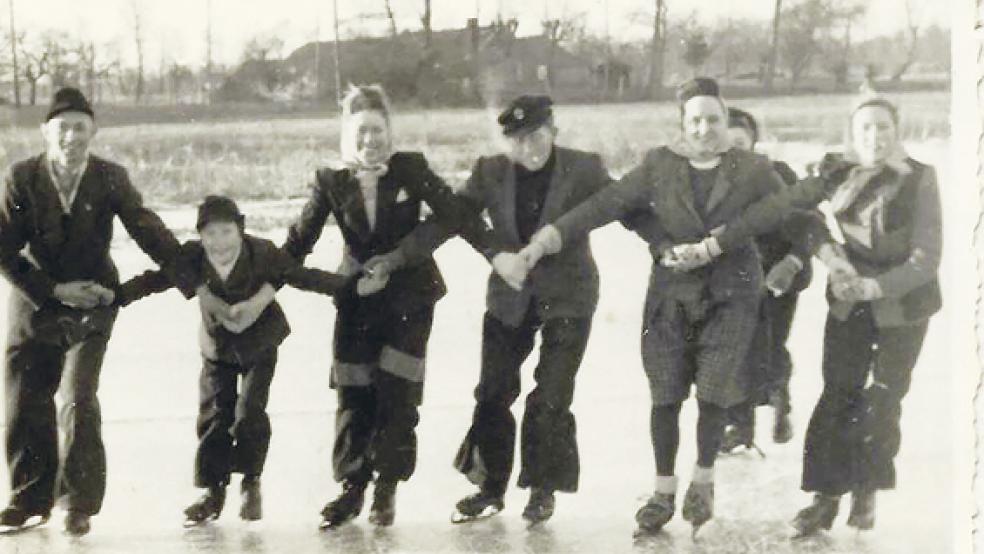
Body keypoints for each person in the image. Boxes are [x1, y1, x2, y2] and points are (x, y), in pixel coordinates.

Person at [522, 78, 799, 536]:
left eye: (714, 119)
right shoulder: (659, 165)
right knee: (666, 395)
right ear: (682, 125)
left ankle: (704, 479)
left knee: (712, 392)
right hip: (672, 296)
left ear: (727, 122)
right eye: (696, 120)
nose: (705, 129)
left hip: (732, 296)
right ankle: (663, 489)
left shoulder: (752, 168)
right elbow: (604, 204)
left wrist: (804, 256)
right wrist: (549, 238)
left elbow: (794, 215)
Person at [409, 94, 637, 525]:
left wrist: (666, 240)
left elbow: (621, 205)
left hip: (569, 295)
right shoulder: (490, 171)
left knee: (551, 392)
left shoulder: (583, 167)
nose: (528, 148)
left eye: (536, 136)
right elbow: (454, 217)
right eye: (517, 140)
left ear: (554, 130)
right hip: (510, 293)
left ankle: (542, 487)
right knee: (493, 390)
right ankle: (489, 487)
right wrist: (491, 253)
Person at [281, 85, 496, 529]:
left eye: (377, 131)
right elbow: (298, 242)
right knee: (353, 393)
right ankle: (351, 487)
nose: (370, 141)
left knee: (398, 395)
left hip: (410, 298)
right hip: (356, 302)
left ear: (390, 131)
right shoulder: (331, 180)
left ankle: (386, 487)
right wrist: (257, 280)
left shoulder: (410, 168)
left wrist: (500, 254)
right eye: (361, 133)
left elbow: (455, 213)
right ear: (347, 135)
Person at [115, 195, 381, 527]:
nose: (219, 242)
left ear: (240, 230)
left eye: (227, 232)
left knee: (249, 412)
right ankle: (213, 492)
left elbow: (302, 275)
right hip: (218, 347)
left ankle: (250, 481)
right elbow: (157, 279)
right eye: (210, 234)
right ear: (200, 236)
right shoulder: (193, 256)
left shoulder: (262, 252)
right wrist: (117, 295)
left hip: (260, 344)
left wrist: (351, 287)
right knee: (214, 415)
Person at [0, 87, 192, 536]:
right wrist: (51, 290)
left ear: (94, 132)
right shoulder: (21, 178)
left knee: (78, 397)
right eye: (62, 128)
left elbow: (149, 231)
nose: (71, 137)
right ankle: (29, 498)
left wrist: (197, 272)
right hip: (37, 301)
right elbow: (4, 249)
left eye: (80, 128)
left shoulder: (110, 178)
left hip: (93, 300)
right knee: (25, 398)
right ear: (46, 131)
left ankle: (80, 502)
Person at [784, 94, 942, 536]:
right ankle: (825, 497)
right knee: (838, 393)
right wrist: (833, 260)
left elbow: (927, 257)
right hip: (848, 298)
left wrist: (877, 286)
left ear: (897, 132)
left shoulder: (921, 179)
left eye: (883, 128)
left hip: (904, 305)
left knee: (883, 398)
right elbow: (800, 213)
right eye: (866, 129)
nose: (875, 137)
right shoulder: (835, 172)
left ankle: (866, 490)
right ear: (853, 135)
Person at [718, 108, 813, 453]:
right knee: (735, 348)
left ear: (755, 144)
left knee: (770, 342)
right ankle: (743, 423)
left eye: (741, 144)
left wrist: (792, 261)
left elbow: (808, 222)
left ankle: (777, 395)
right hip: (736, 278)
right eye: (727, 146)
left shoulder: (779, 173)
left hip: (780, 273)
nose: (735, 153)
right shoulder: (715, 181)